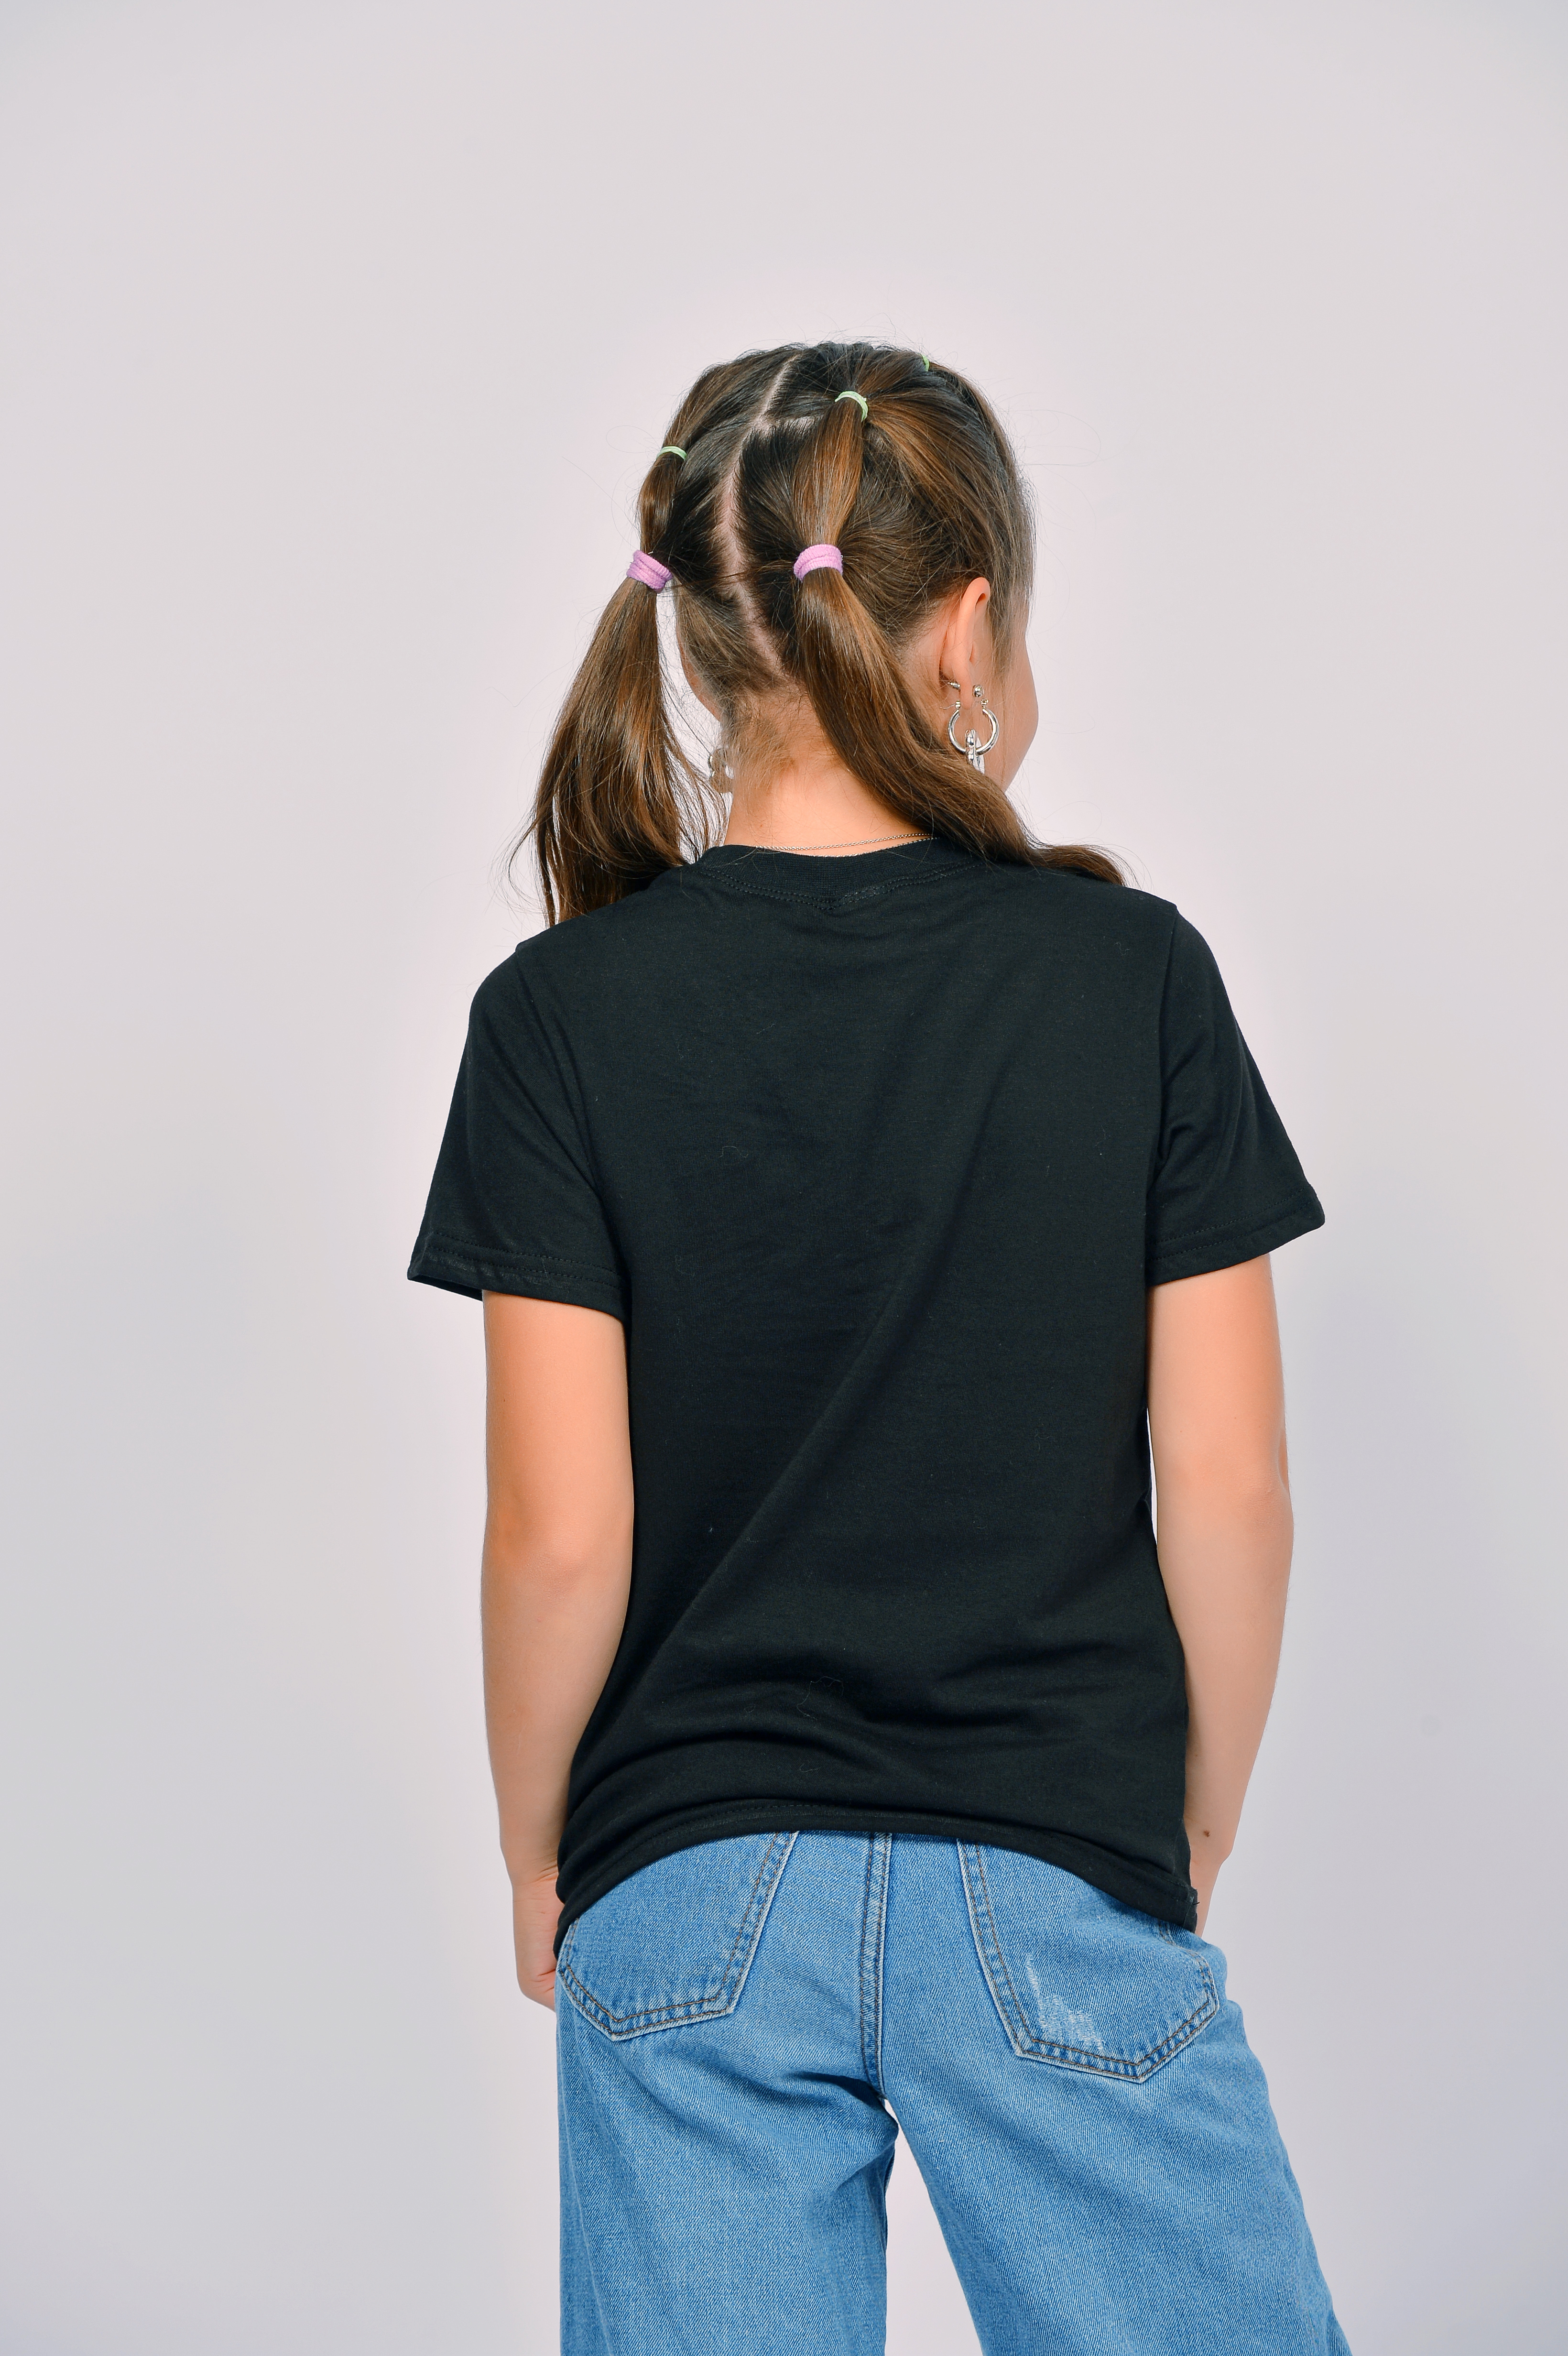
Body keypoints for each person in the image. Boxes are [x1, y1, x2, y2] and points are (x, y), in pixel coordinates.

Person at [409, 340, 1348, 2354]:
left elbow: (558, 1532)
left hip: (688, 1872)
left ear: (693, 629)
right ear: (967, 626)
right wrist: (1188, 1806)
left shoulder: (556, 1016)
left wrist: (537, 1841)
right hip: (1049, 1845)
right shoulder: (1133, 979)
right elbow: (1231, 1485)